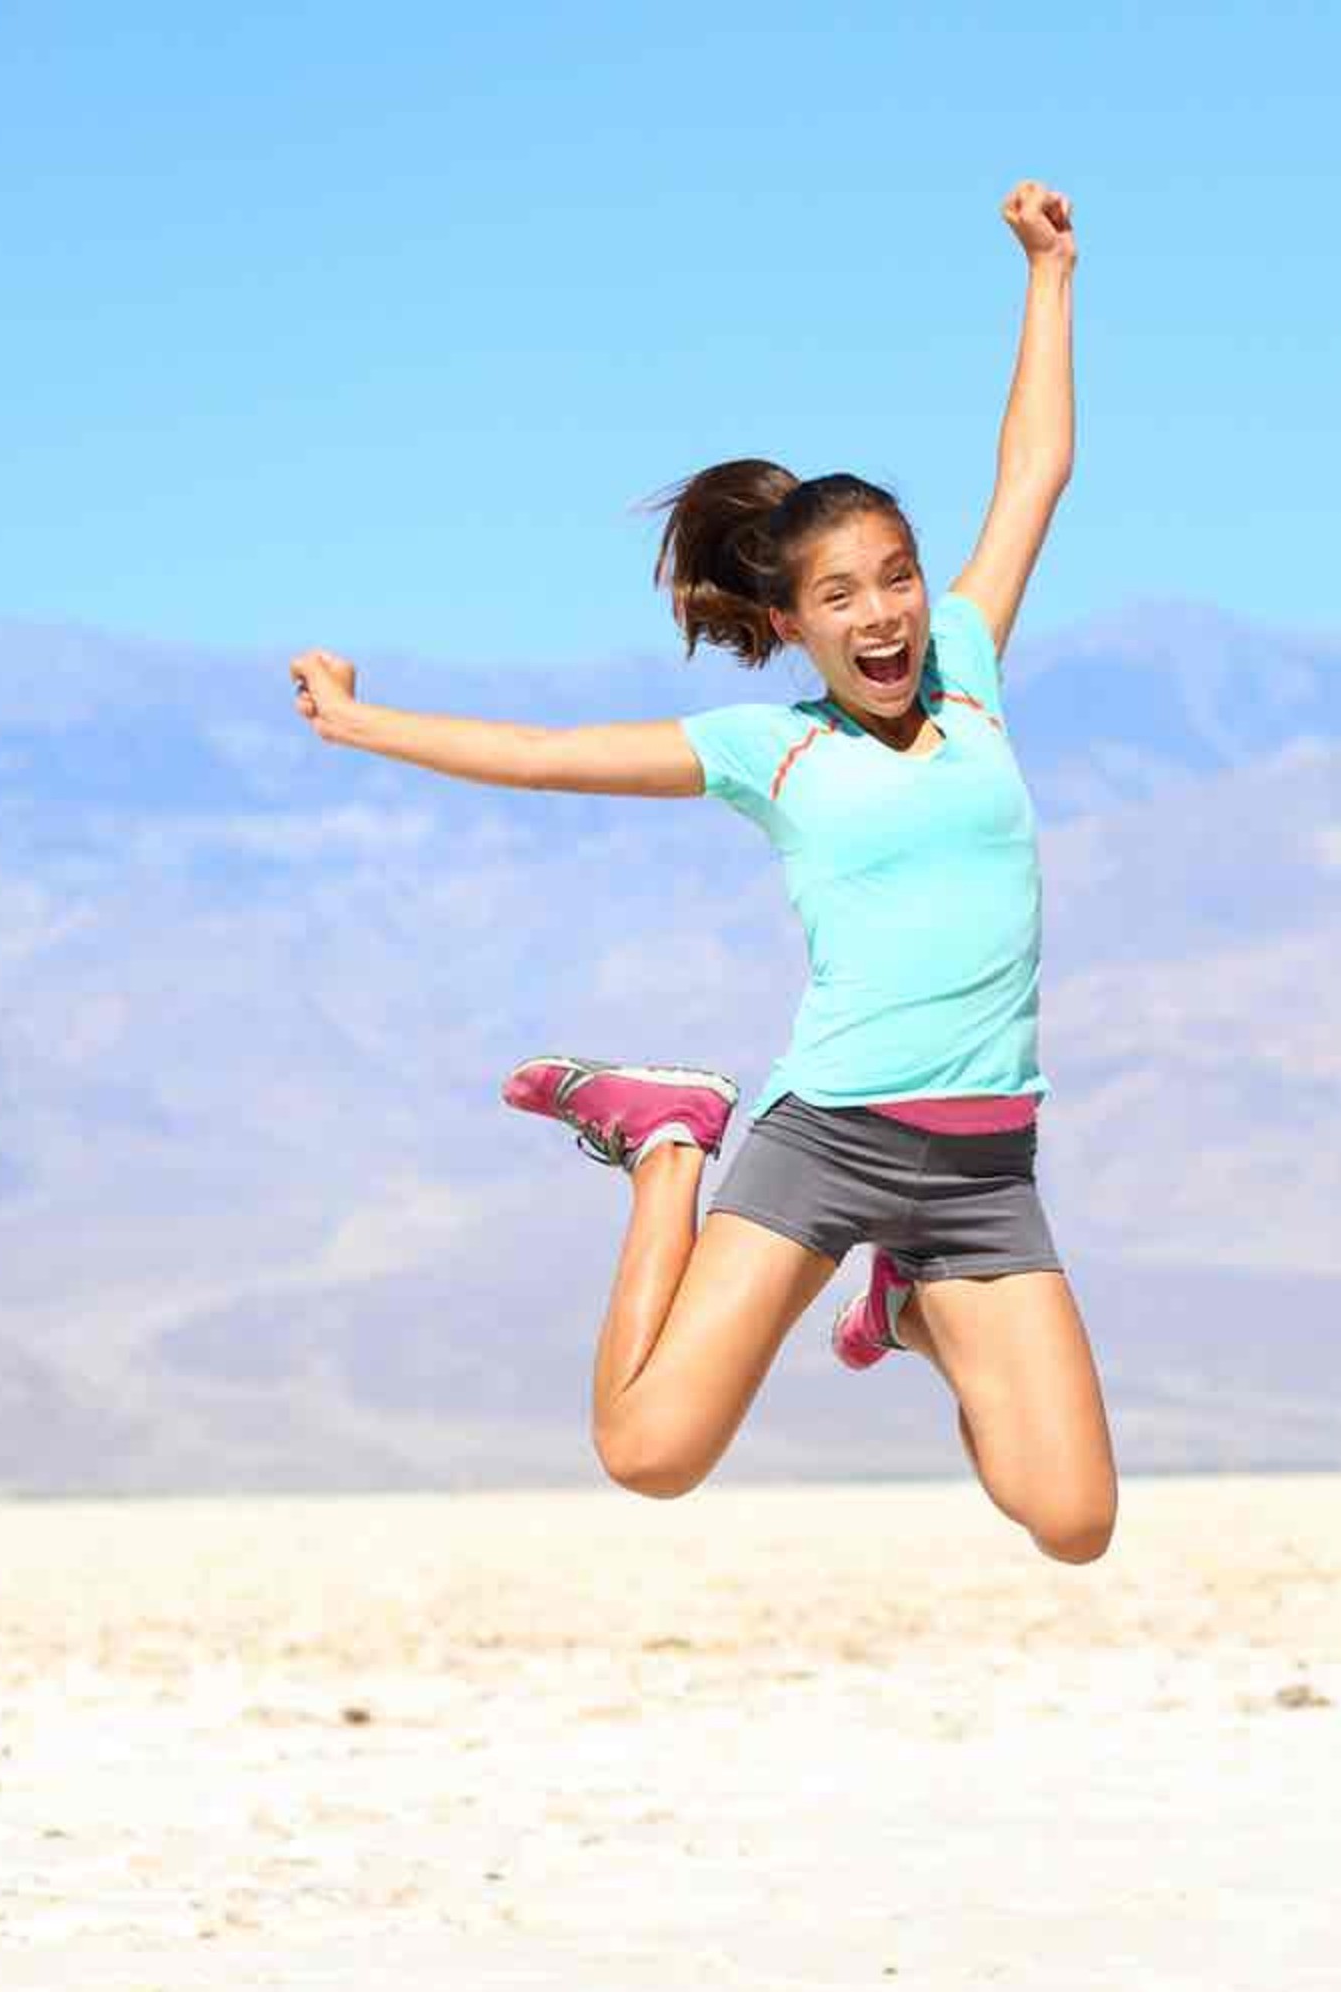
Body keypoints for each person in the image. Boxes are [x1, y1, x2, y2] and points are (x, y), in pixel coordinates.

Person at [287, 183, 1114, 1559]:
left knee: (1072, 1520)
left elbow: (1034, 473)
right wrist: (360, 720)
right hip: (830, 1138)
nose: (885, 613)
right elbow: (547, 755)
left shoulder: (967, 668)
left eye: (897, 578)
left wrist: (1049, 273)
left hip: (985, 1172)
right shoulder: (766, 751)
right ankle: (666, 1146)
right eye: (843, 596)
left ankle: (905, 1306)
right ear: (792, 622)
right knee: (647, 1453)